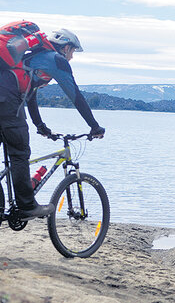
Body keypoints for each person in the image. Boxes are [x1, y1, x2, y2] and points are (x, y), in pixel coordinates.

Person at [0, 27, 105, 221]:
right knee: (19, 152)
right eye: (72, 51)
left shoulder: (30, 58)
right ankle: (27, 206)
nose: (72, 57)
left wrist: (40, 126)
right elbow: (76, 96)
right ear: (65, 47)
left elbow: (29, 95)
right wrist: (94, 126)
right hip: (6, 104)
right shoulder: (56, 60)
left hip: (6, 101)